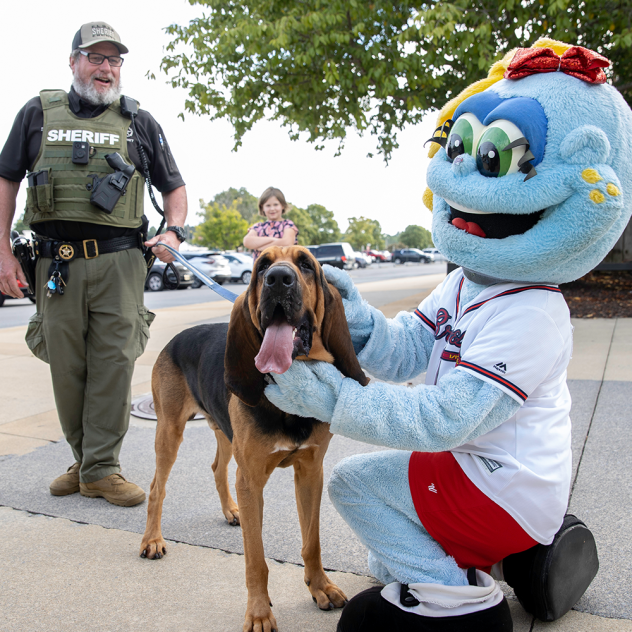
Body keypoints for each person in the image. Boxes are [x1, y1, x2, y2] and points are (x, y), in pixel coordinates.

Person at [0, 22, 188, 507]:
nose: (106, 68)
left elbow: (175, 188)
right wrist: (2, 249)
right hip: (55, 263)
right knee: (67, 367)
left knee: (113, 365)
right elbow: (6, 180)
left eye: (115, 60)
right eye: (96, 57)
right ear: (73, 61)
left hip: (120, 262)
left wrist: (173, 230)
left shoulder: (139, 122)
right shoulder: (36, 113)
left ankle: (101, 468)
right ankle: (87, 463)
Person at [243, 186, 298, 259]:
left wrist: (263, 248)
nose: (272, 208)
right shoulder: (258, 227)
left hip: (282, 268)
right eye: (268, 205)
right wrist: (274, 240)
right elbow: (247, 241)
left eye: (276, 204)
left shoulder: (287, 224)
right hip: (262, 270)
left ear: (282, 205)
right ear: (262, 207)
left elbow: (287, 243)